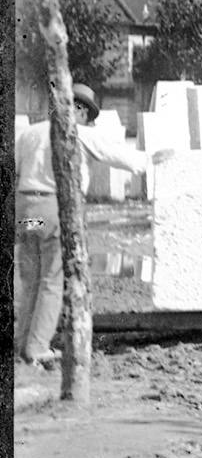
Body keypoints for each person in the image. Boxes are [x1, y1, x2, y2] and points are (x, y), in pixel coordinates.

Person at [15, 84, 156, 368]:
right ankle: (37, 348)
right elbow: (124, 159)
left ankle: (21, 343)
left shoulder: (29, 133)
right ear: (78, 110)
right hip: (54, 208)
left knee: (30, 280)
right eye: (86, 115)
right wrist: (153, 160)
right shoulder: (78, 133)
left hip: (26, 211)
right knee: (52, 280)